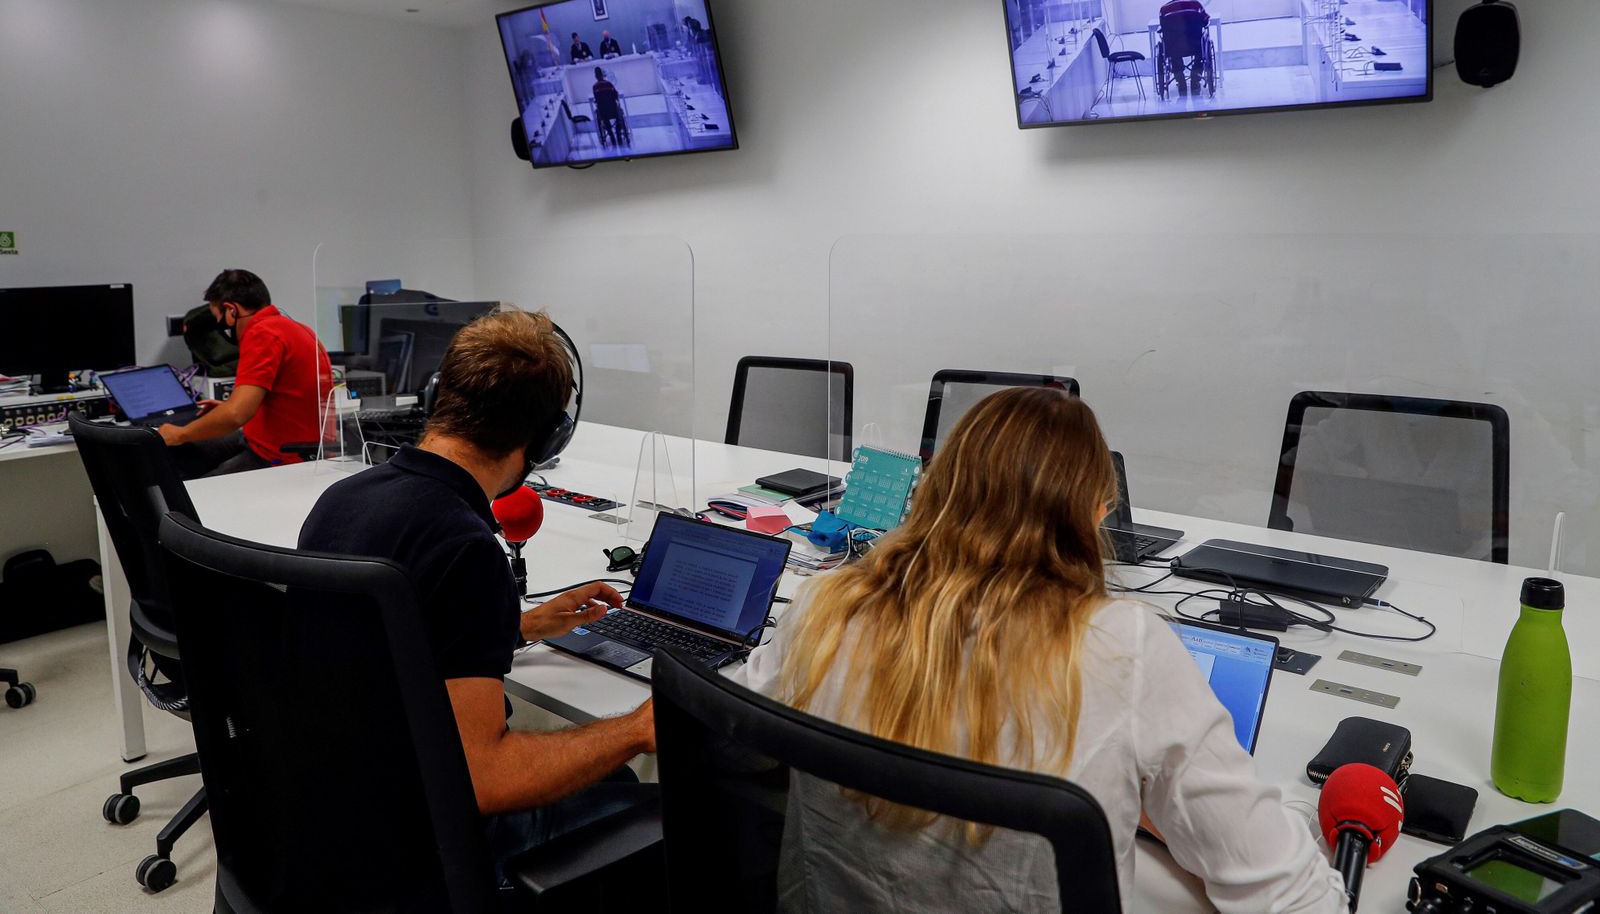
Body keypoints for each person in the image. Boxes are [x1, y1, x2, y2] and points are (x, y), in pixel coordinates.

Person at [741, 388, 1347, 913]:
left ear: (937, 487)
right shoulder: (1124, 648)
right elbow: (1291, 897)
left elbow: (729, 716)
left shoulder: (826, 604)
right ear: (1094, 514)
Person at [298, 309, 656, 888]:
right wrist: (637, 728)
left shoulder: (341, 499)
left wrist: (518, 626)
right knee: (649, 799)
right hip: (424, 843)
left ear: (440, 396)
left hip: (335, 811)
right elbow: (483, 778)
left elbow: (388, 648)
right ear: (546, 440)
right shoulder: (465, 548)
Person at [160, 269, 332, 479]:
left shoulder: (262, 334)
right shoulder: (295, 328)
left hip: (280, 457)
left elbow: (236, 415)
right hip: (283, 443)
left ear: (232, 311)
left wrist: (180, 434)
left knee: (192, 487)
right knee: (186, 454)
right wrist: (225, 409)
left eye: (218, 318)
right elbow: (284, 401)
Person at [1159, 0, 1210, 97]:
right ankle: (1195, 79)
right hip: (1195, 45)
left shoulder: (1164, 10)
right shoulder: (1196, 5)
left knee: (1171, 45)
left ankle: (1180, 80)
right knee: (1201, 46)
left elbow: (1163, 28)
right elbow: (1206, 20)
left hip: (1174, 48)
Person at [592, 66, 625, 146]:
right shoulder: (609, 84)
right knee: (620, 111)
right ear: (603, 75)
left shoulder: (595, 87)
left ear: (596, 76)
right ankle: (618, 133)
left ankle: (611, 134)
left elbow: (596, 100)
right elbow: (615, 95)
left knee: (601, 113)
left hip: (603, 112)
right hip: (613, 110)